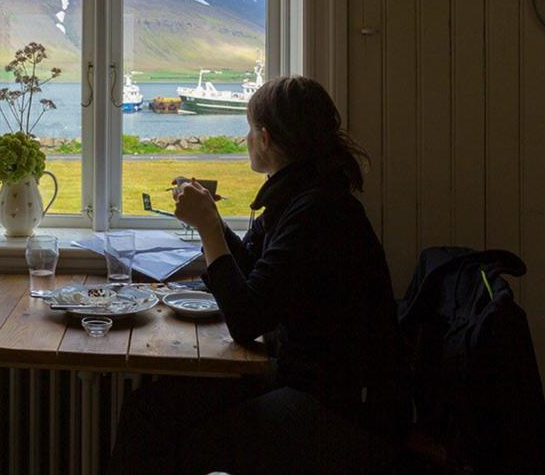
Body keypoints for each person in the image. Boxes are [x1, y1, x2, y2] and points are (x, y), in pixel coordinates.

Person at [108, 75, 410, 475]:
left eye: (250, 129)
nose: (247, 138)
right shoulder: (300, 194)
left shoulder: (318, 211)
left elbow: (247, 318)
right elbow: (254, 270)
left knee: (185, 440)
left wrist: (208, 229)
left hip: (336, 405)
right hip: (300, 379)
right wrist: (212, 218)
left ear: (265, 138)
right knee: (148, 409)